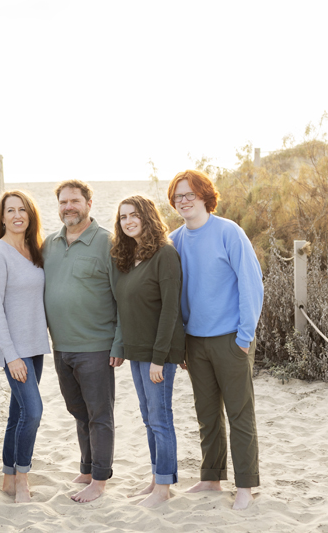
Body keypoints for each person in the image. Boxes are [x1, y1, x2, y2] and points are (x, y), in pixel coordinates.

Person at [167, 169, 264, 510]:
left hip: (231, 339)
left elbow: (252, 283)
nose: (184, 200)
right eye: (178, 196)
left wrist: (244, 335)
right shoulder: (176, 239)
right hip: (194, 342)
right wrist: (179, 342)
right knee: (206, 413)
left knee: (239, 414)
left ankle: (246, 486)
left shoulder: (229, 232)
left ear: (205, 195)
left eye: (190, 193)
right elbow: (173, 294)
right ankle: (211, 477)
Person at [42, 179, 123, 503]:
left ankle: (100, 480)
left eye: (74, 201)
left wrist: (119, 343)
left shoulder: (108, 242)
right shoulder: (50, 243)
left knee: (99, 413)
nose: (68, 207)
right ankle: (88, 467)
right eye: (63, 202)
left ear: (89, 203)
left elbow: (122, 297)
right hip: (61, 346)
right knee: (78, 410)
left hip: (96, 346)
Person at [110, 195, 185, 507]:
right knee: (147, 417)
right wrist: (122, 347)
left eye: (134, 215)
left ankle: (164, 489)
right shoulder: (129, 257)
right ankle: (156, 479)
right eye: (123, 216)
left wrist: (159, 358)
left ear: (147, 216)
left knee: (160, 418)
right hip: (137, 352)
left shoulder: (165, 254)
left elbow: (170, 310)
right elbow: (123, 309)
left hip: (159, 355)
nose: (128, 221)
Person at [0, 190, 50, 504]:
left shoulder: (34, 249)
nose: (17, 215)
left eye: (22, 209)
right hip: (15, 350)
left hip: (36, 345)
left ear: (30, 214)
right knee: (33, 413)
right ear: (2, 217)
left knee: (17, 413)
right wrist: (10, 357)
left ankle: (9, 478)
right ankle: (22, 479)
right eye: (10, 210)